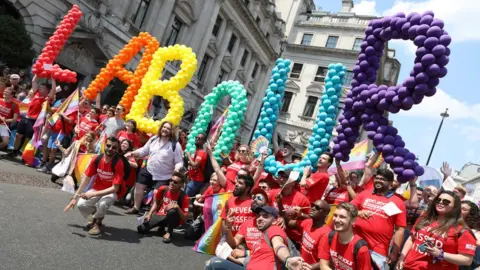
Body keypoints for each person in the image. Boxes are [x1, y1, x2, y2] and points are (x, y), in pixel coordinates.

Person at [205, 205, 311, 270]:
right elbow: (246, 261)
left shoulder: (274, 229)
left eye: (265, 216)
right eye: (259, 215)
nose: (260, 218)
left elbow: (279, 245)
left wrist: (287, 260)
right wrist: (226, 253)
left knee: (214, 263)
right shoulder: (259, 241)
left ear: (274, 220)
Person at [397, 190, 477, 269]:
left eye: (446, 202)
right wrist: (401, 258)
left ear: (455, 207)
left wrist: (440, 254)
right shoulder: (424, 219)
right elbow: (411, 239)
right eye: (438, 200)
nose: (441, 202)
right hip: (409, 266)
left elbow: (467, 260)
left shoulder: (462, 230)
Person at [63, 137, 126, 235]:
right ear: (104, 145)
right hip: (97, 188)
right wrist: (74, 198)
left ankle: (96, 223)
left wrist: (93, 194)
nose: (110, 149)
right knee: (81, 205)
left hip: (112, 192)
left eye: (114, 147)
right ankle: (98, 216)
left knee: (102, 204)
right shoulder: (96, 159)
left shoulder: (118, 163)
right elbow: (86, 179)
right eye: (108, 145)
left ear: (117, 150)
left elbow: (115, 188)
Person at [351, 169, 407, 269]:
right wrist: (359, 212)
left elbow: (400, 230)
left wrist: (394, 253)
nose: (378, 180)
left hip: (377, 251)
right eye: (377, 178)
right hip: (354, 243)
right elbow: (348, 209)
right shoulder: (365, 193)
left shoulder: (398, 202)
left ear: (390, 183)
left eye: (382, 179)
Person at [124, 121, 183, 214]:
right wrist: (131, 153)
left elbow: (179, 161)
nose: (165, 129)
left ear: (171, 131)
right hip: (149, 169)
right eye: (164, 127)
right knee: (139, 186)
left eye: (168, 128)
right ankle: (136, 207)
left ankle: (152, 213)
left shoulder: (175, 145)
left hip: (164, 175)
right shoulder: (153, 139)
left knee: (157, 193)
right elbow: (143, 151)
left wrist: (177, 168)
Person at [214, 187, 270, 266]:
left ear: (267, 203)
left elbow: (269, 250)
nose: (255, 199)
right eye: (253, 197)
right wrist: (228, 228)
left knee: (248, 260)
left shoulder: (272, 222)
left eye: (259, 198)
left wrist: (245, 253)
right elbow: (233, 243)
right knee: (217, 258)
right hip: (248, 257)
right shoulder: (247, 223)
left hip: (263, 260)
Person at [8, 75, 56, 157]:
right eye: (40, 87)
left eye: (42, 88)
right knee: (18, 135)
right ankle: (14, 151)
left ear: (47, 90)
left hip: (34, 121)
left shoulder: (47, 98)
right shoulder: (36, 93)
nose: (40, 88)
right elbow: (34, 81)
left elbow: (53, 89)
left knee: (28, 138)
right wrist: (38, 73)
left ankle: (24, 154)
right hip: (26, 118)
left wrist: (53, 79)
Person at [318, 202, 374, 270]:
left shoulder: (361, 249)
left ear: (353, 221)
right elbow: (323, 265)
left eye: (342, 217)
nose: (336, 220)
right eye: (335, 215)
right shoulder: (328, 237)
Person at [137, 172, 189, 243]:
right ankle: (161, 227)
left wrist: (177, 207)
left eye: (175, 182)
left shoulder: (184, 197)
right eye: (171, 180)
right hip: (160, 215)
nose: (172, 183)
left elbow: (185, 218)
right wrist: (149, 214)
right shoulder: (163, 189)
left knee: (172, 211)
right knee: (141, 229)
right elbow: (156, 203)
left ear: (180, 185)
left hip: (173, 219)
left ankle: (169, 233)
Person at [285, 200, 331, 269]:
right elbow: (289, 224)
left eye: (317, 207)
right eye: (312, 205)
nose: (313, 208)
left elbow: (324, 262)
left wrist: (305, 268)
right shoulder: (308, 222)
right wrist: (280, 205)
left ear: (325, 213)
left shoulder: (325, 234)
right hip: (300, 264)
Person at [271, 168, 311, 246]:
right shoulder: (273, 193)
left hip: (293, 239)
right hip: (274, 233)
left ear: (293, 182)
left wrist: (301, 214)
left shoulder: (302, 199)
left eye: (285, 177)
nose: (281, 179)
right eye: (280, 176)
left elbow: (310, 218)